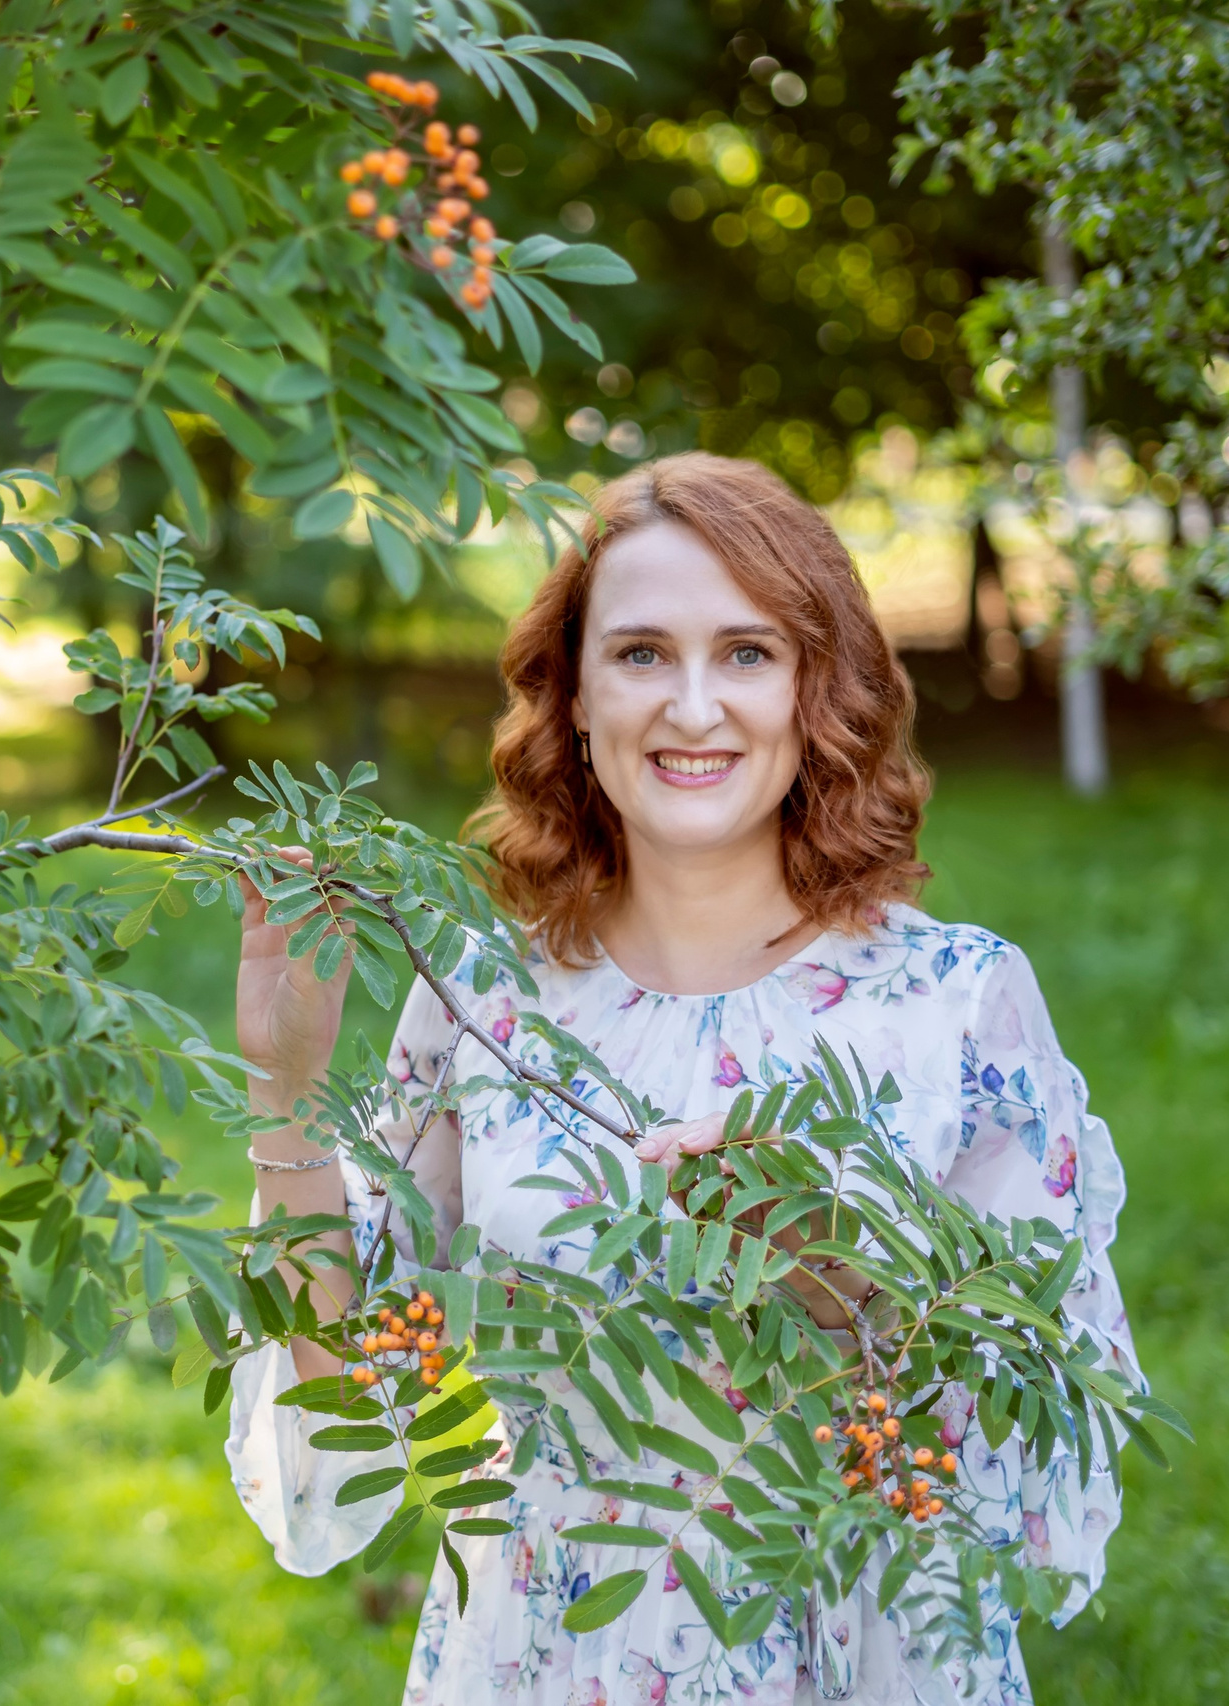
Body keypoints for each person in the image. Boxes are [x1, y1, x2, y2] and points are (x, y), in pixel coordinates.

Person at [226, 454, 1140, 1705]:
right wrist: (286, 1090)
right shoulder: (484, 994)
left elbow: (1052, 1430)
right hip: (542, 1654)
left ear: (817, 689)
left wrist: (849, 1282)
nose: (693, 705)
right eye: (642, 652)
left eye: (748, 653)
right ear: (575, 696)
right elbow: (347, 1424)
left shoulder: (953, 1004)